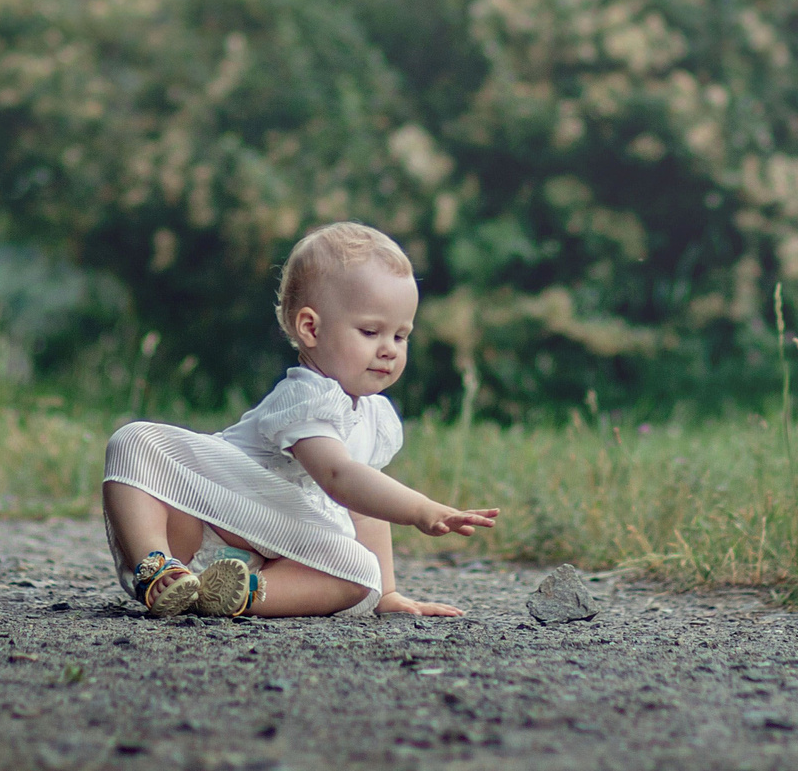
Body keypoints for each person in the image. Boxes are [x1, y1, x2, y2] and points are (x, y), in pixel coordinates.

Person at [101, 222, 500, 618]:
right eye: (371, 331)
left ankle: (241, 593)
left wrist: (387, 594)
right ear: (310, 328)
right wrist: (419, 508)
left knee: (362, 571)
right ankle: (156, 566)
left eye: (400, 336)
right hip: (202, 517)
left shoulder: (376, 419)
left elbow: (364, 510)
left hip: (270, 552)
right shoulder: (307, 396)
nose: (389, 350)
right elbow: (338, 476)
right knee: (135, 441)